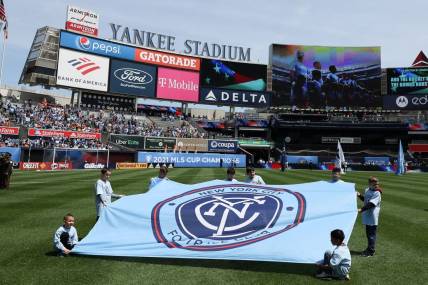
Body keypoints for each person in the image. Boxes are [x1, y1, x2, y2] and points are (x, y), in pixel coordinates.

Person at [357, 176, 382, 257]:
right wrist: (359, 195)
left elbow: (371, 204)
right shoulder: (367, 190)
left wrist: (361, 209)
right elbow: (365, 200)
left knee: (371, 235)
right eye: (374, 184)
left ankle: (371, 251)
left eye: (377, 184)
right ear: (369, 184)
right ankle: (369, 248)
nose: (376, 186)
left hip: (372, 216)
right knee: (368, 234)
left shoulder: (377, 193)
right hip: (367, 215)